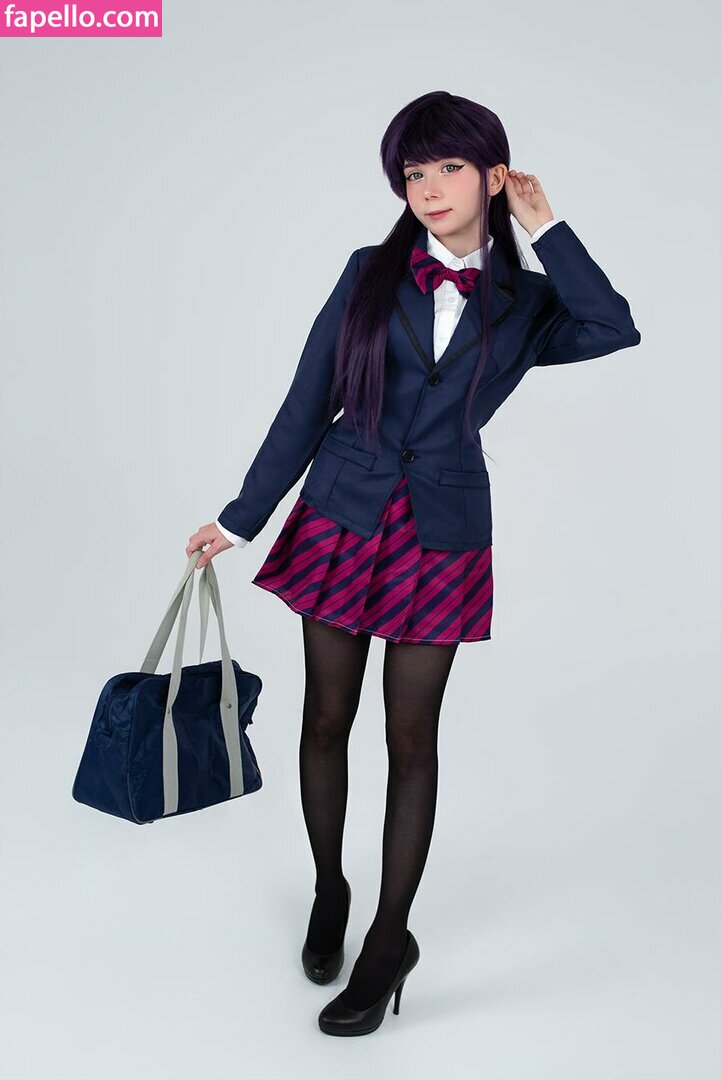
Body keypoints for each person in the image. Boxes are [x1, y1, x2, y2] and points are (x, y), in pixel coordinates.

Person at [186, 90, 641, 1037]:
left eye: (448, 167)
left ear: (493, 174)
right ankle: (331, 888)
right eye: (411, 172)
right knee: (325, 717)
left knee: (410, 739)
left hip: (442, 529)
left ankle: (390, 940)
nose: (427, 187)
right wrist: (241, 517)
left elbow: (612, 325)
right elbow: (306, 400)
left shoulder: (525, 301)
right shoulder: (368, 272)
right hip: (341, 511)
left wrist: (545, 227)